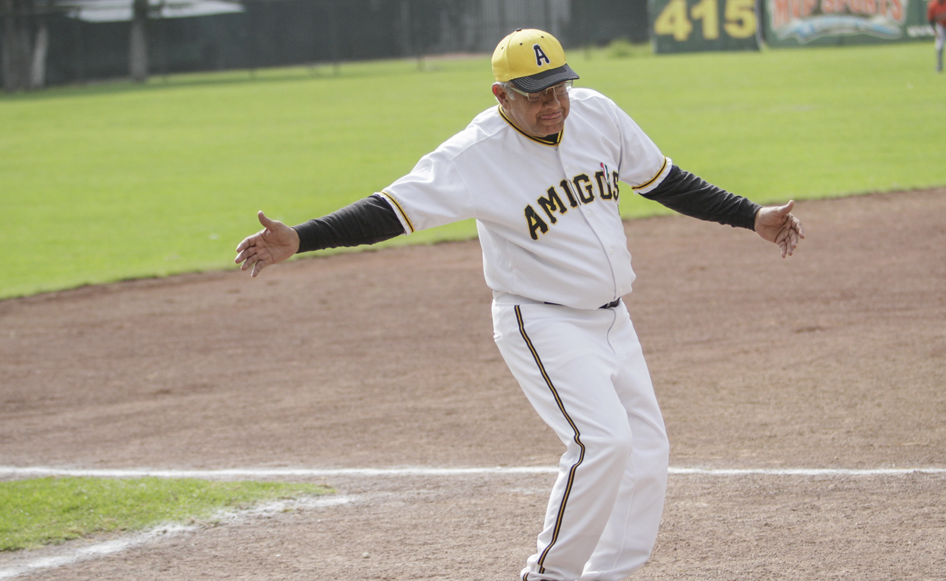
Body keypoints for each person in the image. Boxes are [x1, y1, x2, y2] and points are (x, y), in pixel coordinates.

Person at [235, 28, 803, 581]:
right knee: (602, 442)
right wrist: (303, 237)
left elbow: (665, 182)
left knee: (647, 451)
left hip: (613, 318)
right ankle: (549, 574)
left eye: (560, 88)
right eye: (536, 96)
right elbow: (390, 209)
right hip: (543, 320)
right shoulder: (472, 156)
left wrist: (751, 215)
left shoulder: (597, 114)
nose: (554, 105)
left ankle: (610, 573)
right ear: (501, 96)